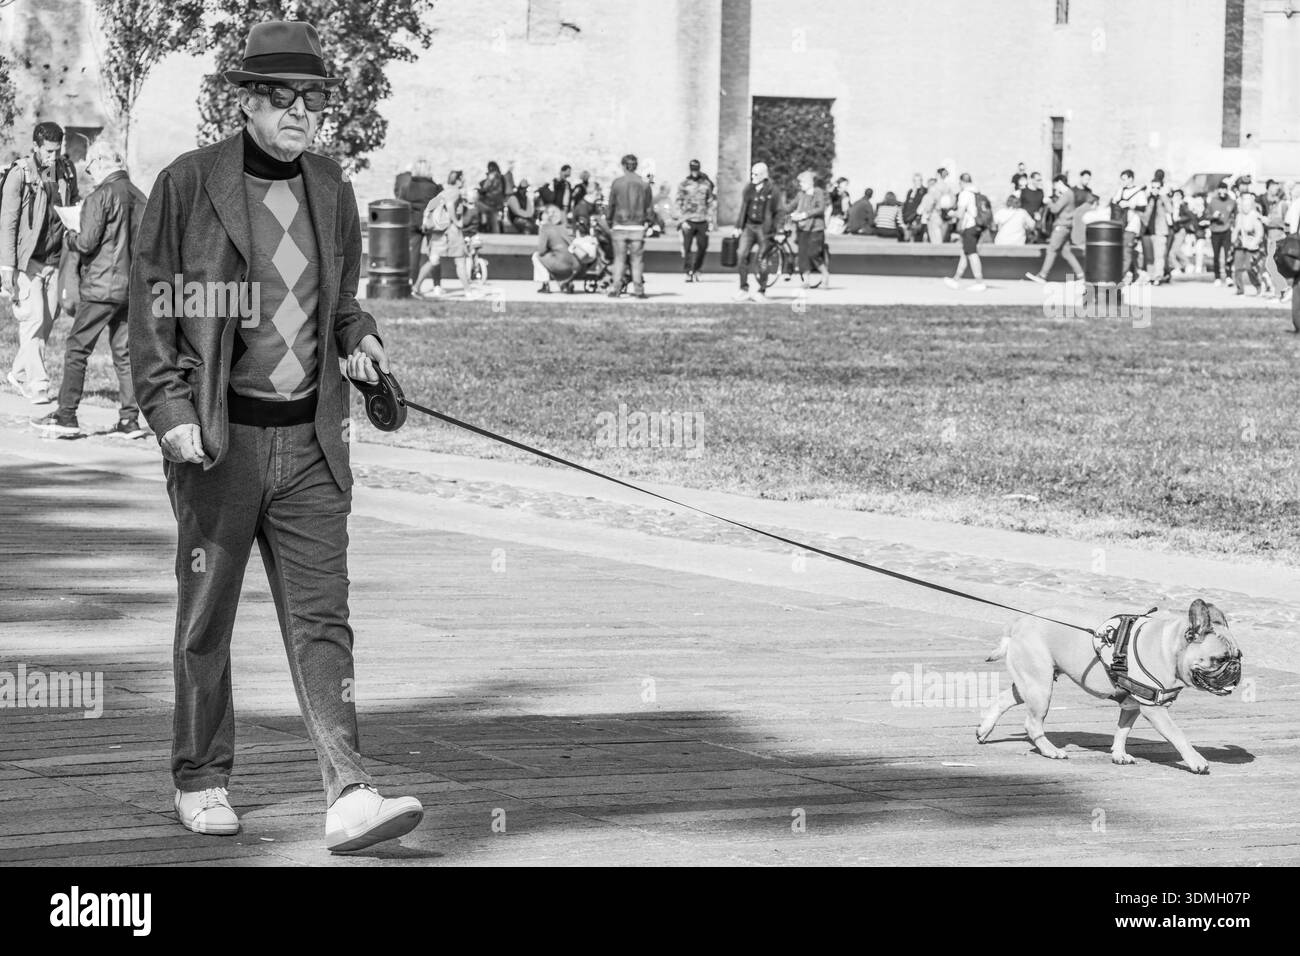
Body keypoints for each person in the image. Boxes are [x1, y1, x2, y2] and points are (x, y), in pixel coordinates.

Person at [127, 20, 422, 853]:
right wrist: (170, 411)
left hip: (311, 448)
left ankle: (350, 794)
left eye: (314, 99)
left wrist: (360, 338)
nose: (302, 112)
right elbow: (154, 311)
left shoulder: (331, 187)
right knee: (207, 620)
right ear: (247, 102)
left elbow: (339, 302)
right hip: (221, 445)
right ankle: (200, 778)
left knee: (324, 622)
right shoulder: (189, 184)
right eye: (284, 96)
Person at [32, 139, 146, 438]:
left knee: (76, 349)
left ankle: (66, 415)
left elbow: (86, 243)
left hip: (101, 286)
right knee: (124, 354)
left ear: (100, 162)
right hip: (131, 288)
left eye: (90, 167)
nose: (89, 173)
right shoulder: (139, 196)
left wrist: (70, 234)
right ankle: (129, 420)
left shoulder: (101, 195)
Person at [1, 121, 79, 405]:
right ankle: (38, 384)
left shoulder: (66, 170)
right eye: (47, 151)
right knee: (32, 319)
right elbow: (8, 221)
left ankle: (19, 373)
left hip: (57, 259)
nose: (52, 156)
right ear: (35, 146)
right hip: (28, 261)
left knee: (47, 321)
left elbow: (74, 204)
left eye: (56, 150)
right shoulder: (20, 174)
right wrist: (6, 267)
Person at [418, 169, 476, 298]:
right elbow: (450, 205)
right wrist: (457, 221)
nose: (464, 181)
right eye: (463, 178)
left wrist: (427, 222)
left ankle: (417, 287)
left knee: (433, 260)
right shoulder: (455, 192)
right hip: (451, 232)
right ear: (458, 180)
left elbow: (429, 207)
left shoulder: (443, 192)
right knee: (460, 261)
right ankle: (468, 291)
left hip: (438, 233)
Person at [606, 153, 653, 298]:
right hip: (637, 226)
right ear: (636, 166)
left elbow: (611, 204)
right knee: (636, 260)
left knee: (619, 259)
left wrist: (609, 221)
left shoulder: (617, 183)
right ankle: (639, 290)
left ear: (623, 166)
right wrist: (649, 222)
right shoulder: (644, 183)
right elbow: (648, 207)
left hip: (619, 225)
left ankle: (615, 289)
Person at [731, 161, 779, 302]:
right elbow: (744, 208)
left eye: (756, 174)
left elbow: (779, 211)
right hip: (749, 226)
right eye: (752, 173)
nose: (753, 176)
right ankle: (743, 288)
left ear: (764, 175)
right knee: (741, 254)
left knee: (762, 259)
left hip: (764, 229)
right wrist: (738, 226)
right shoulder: (749, 189)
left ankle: (761, 290)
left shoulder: (772, 190)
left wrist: (778, 230)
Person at [1026, 174, 1084, 281]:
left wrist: (1049, 202)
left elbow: (1055, 209)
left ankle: (1043, 275)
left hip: (1061, 226)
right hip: (1067, 225)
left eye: (1056, 185)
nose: (1055, 187)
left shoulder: (1066, 195)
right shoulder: (1070, 193)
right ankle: (1081, 275)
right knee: (1066, 252)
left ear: (1060, 183)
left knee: (1051, 250)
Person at [396, 158, 440, 287]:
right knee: (434, 254)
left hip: (412, 222)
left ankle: (412, 282)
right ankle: (437, 285)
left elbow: (401, 204)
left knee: (413, 255)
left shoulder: (407, 186)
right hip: (430, 223)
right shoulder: (434, 188)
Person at [786, 169, 831, 288]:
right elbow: (790, 206)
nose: (800, 184)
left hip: (816, 228)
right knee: (803, 255)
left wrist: (805, 214)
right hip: (802, 228)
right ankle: (806, 280)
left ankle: (825, 274)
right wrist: (780, 211)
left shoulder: (818, 192)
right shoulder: (800, 195)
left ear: (809, 182)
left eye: (802, 182)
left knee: (813, 253)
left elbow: (821, 208)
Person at [943, 172, 986, 291]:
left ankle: (979, 282)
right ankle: (956, 279)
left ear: (962, 182)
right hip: (977, 226)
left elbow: (960, 213)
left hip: (969, 227)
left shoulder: (965, 194)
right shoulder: (976, 192)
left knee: (972, 254)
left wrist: (951, 213)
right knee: (965, 253)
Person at [675, 159, 714, 282]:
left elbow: (710, 202)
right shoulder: (684, 184)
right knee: (687, 248)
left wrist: (710, 220)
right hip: (688, 220)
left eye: (696, 169)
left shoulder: (706, 184)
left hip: (702, 220)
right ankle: (688, 271)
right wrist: (682, 220)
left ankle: (697, 269)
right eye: (693, 169)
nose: (695, 172)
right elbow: (678, 202)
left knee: (702, 247)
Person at [1111, 169, 1148, 282]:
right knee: (1123, 251)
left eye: (1125, 179)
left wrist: (1129, 205)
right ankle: (1136, 274)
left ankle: (1119, 277)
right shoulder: (1120, 190)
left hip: (1131, 226)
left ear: (1131, 179)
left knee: (1126, 251)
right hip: (1120, 225)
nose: (1123, 181)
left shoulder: (1139, 192)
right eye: (1122, 179)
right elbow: (1114, 203)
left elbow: (1143, 208)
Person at [532, 204, 578, 293]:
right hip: (574, 264)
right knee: (557, 256)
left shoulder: (545, 228)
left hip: (560, 265)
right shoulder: (566, 227)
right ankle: (565, 283)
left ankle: (545, 284)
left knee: (536, 256)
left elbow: (541, 251)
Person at [1231, 192, 1267, 295]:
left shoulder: (1255, 216)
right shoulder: (1239, 216)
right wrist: (1234, 237)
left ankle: (1258, 285)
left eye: (1247, 205)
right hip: (1241, 245)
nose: (1245, 207)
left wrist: (1254, 242)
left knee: (1249, 268)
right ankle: (1240, 289)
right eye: (1243, 205)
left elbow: (1260, 233)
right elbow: (1237, 229)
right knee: (1237, 268)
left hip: (1252, 247)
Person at [1205, 179, 1236, 286]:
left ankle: (1229, 276)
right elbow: (1206, 215)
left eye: (1224, 189)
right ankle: (1217, 277)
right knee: (1216, 255)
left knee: (1228, 255)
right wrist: (1213, 217)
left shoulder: (1231, 201)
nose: (1222, 191)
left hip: (1226, 231)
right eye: (1221, 189)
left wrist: (1231, 224)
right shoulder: (1213, 201)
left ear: (1227, 190)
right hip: (1215, 231)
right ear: (1218, 190)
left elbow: (1235, 215)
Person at [477, 160, 506, 233]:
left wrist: (480, 190)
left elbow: (485, 187)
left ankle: (483, 223)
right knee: (494, 220)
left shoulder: (492, 175)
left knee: (477, 203)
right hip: (499, 202)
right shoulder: (501, 177)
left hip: (490, 202)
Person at [927, 167, 955, 243]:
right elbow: (953, 201)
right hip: (945, 216)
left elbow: (931, 202)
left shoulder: (934, 187)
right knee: (942, 240)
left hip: (935, 215)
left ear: (938, 175)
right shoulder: (948, 188)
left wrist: (928, 213)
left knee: (935, 241)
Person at [1020, 172, 1045, 241]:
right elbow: (1018, 207)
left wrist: (1039, 214)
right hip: (1024, 224)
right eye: (1038, 180)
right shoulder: (1023, 192)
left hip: (1035, 224)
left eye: (1040, 180)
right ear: (1031, 180)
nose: (1040, 182)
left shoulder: (1041, 192)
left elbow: (1041, 207)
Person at [900, 174, 926, 241]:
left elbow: (923, 205)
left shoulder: (924, 191)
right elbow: (906, 204)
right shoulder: (910, 191)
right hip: (908, 219)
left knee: (917, 240)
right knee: (907, 240)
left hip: (917, 218)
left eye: (919, 180)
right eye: (915, 180)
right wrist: (904, 217)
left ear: (922, 181)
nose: (917, 182)